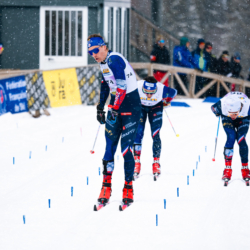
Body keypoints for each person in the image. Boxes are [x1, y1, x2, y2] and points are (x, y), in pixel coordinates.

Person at [88, 34, 141, 209]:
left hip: (130, 107)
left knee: (125, 149)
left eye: (95, 50)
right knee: (109, 148)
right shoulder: (103, 64)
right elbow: (106, 84)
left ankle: (128, 187)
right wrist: (100, 107)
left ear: (103, 47)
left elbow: (122, 86)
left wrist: (114, 108)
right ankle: (106, 187)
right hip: (116, 106)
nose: (94, 55)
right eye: (90, 53)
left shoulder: (114, 59)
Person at [133, 76, 177, 180]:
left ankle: (156, 163)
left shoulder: (162, 89)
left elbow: (174, 92)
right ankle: (136, 162)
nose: (148, 95)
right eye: (146, 92)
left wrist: (167, 101)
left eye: (151, 92)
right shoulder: (137, 85)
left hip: (156, 107)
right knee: (138, 134)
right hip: (140, 107)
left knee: (155, 134)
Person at [211, 92, 250, 184]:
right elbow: (213, 108)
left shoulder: (247, 105)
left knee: (241, 139)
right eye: (231, 113)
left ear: (240, 108)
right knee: (231, 137)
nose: (233, 116)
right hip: (226, 117)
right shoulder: (221, 104)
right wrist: (217, 113)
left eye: (235, 113)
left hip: (244, 117)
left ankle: (245, 169)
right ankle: (227, 169)